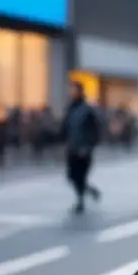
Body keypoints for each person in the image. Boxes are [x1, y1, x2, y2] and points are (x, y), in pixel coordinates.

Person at [61, 81, 102, 214]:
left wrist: (89, 146)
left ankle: (80, 201)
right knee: (71, 176)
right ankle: (89, 191)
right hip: (72, 148)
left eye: (73, 90)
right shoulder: (70, 108)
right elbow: (65, 128)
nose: (71, 93)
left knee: (80, 176)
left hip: (83, 149)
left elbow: (94, 130)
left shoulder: (87, 110)